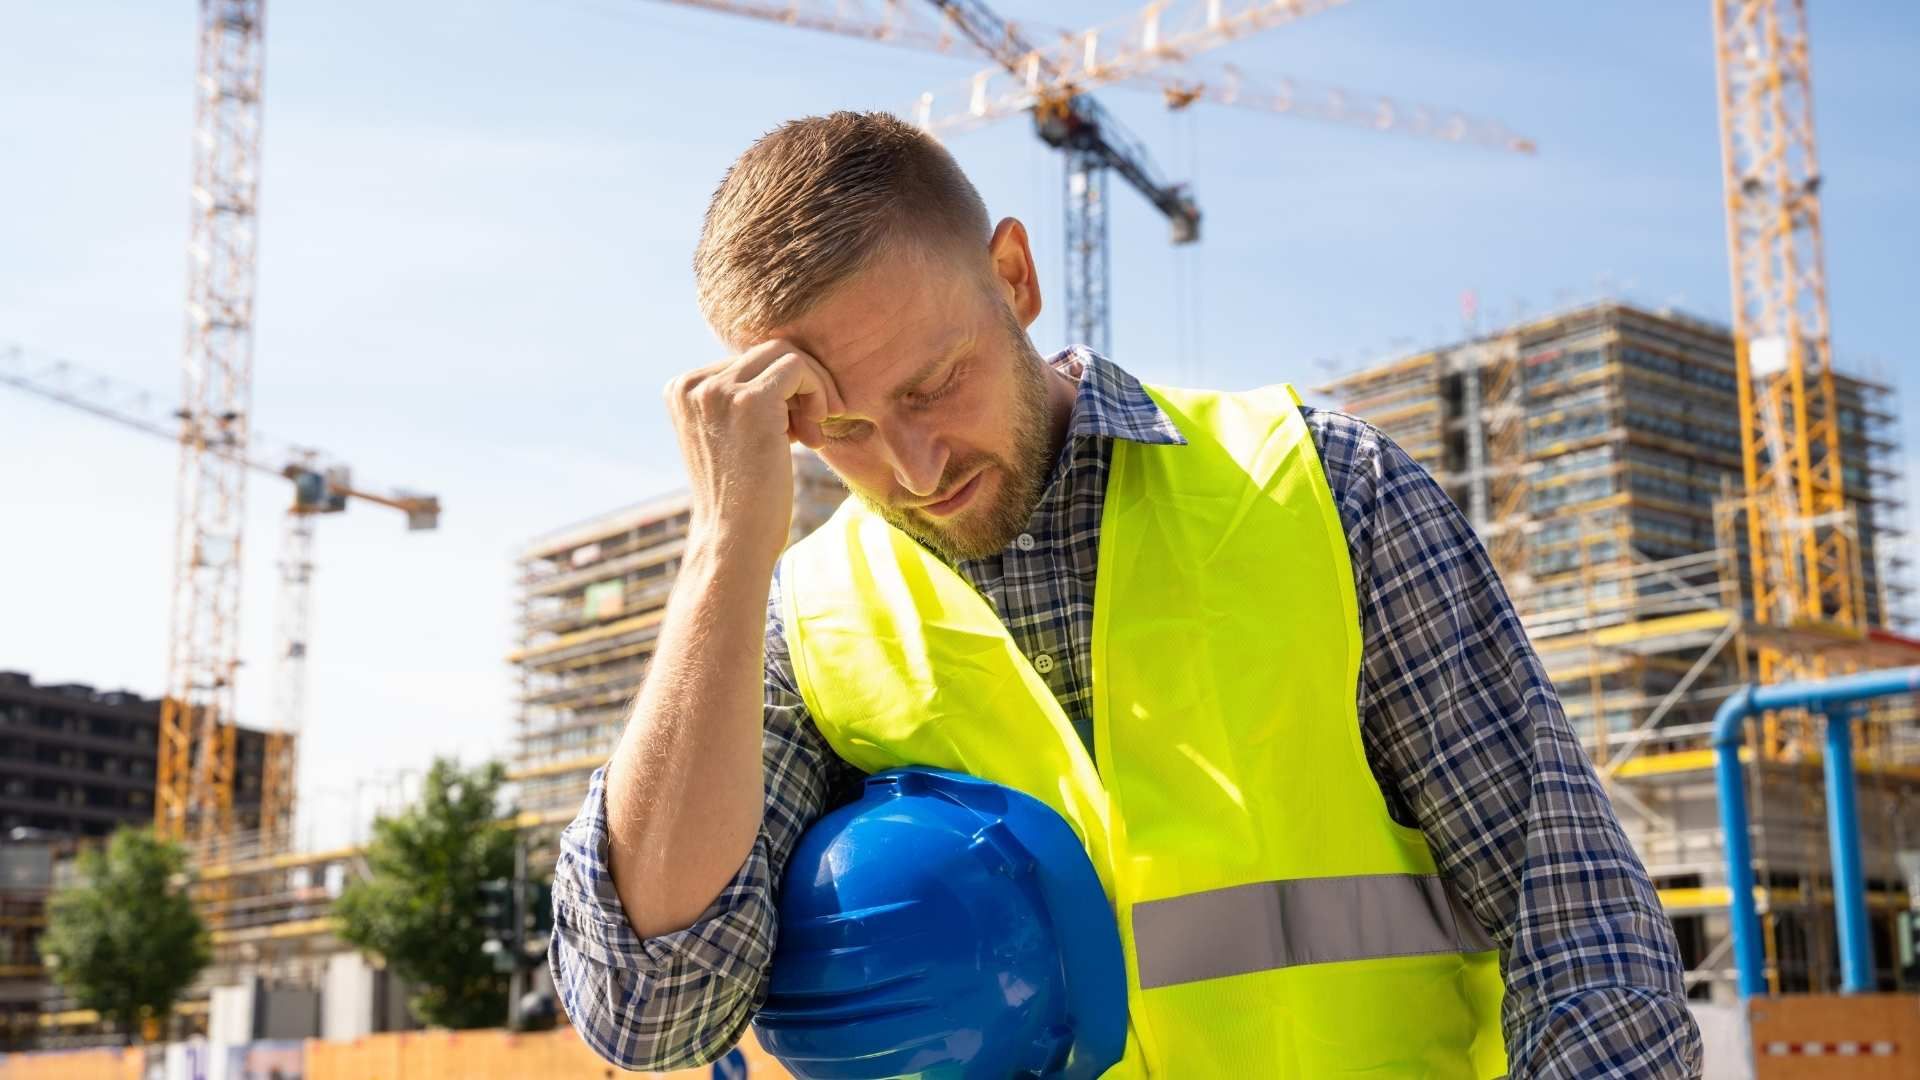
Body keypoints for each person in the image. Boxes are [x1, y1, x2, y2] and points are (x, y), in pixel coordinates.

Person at [549, 110, 1702, 1076]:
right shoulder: (805, 618)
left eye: (936, 383)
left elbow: (1580, 925)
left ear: (1014, 277)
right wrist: (721, 549)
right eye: (842, 429)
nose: (915, 468)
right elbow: (657, 1011)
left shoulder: (1319, 485)